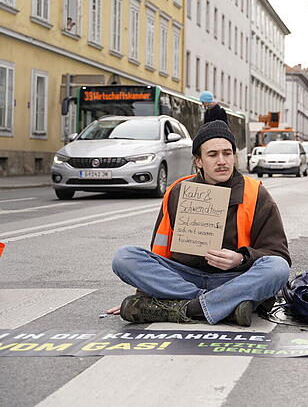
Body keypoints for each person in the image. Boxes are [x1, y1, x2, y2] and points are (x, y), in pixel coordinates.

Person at [109, 120, 290, 326]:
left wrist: (241, 258)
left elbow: (279, 254)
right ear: (199, 161)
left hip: (234, 278)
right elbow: (160, 250)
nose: (222, 161)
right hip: (184, 279)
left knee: (278, 268)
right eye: (213, 155)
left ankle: (188, 308)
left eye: (227, 153)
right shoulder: (177, 191)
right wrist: (145, 291)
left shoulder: (256, 193)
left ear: (234, 156)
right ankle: (222, 305)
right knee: (124, 257)